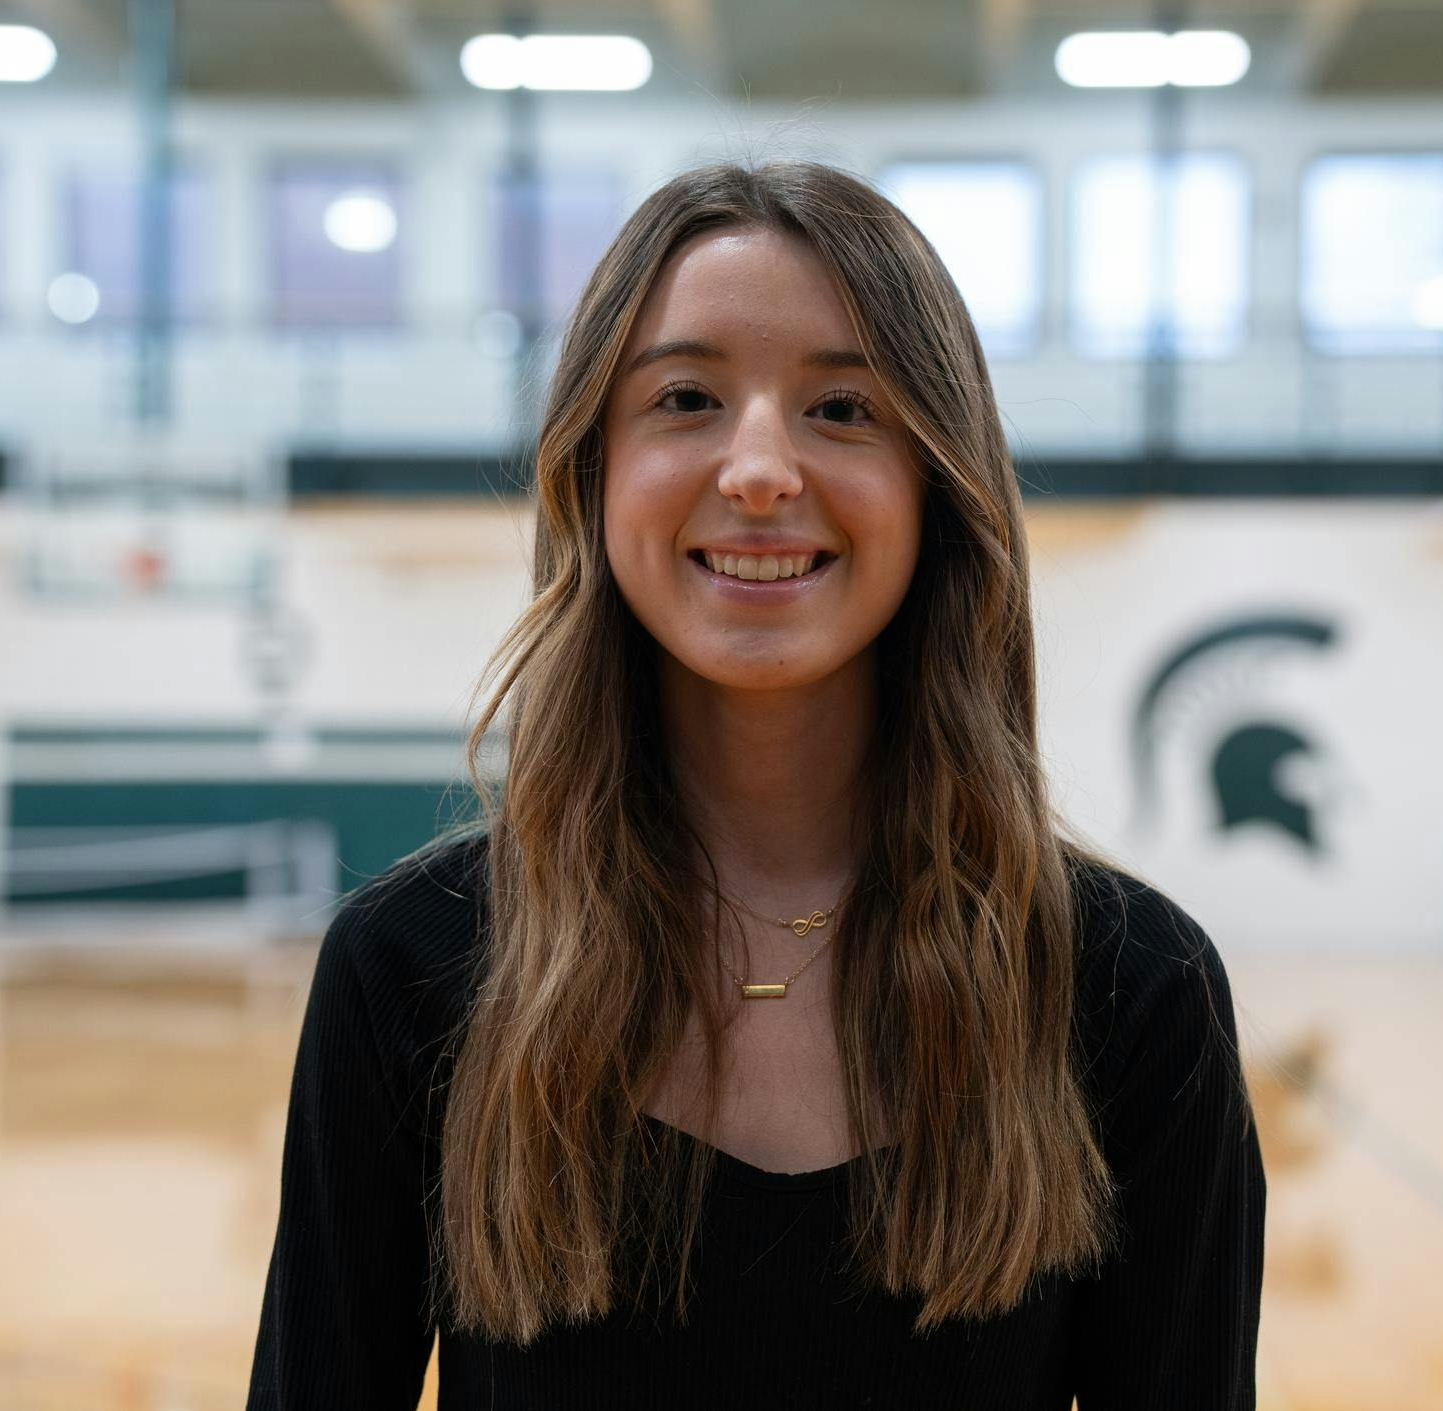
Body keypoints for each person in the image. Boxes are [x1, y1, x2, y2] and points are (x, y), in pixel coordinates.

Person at [246, 158, 1265, 1409]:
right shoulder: (411, 971)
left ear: (935, 486)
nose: (761, 469)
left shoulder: (1131, 995)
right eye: (684, 397)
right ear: (593, 475)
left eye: (843, 408)